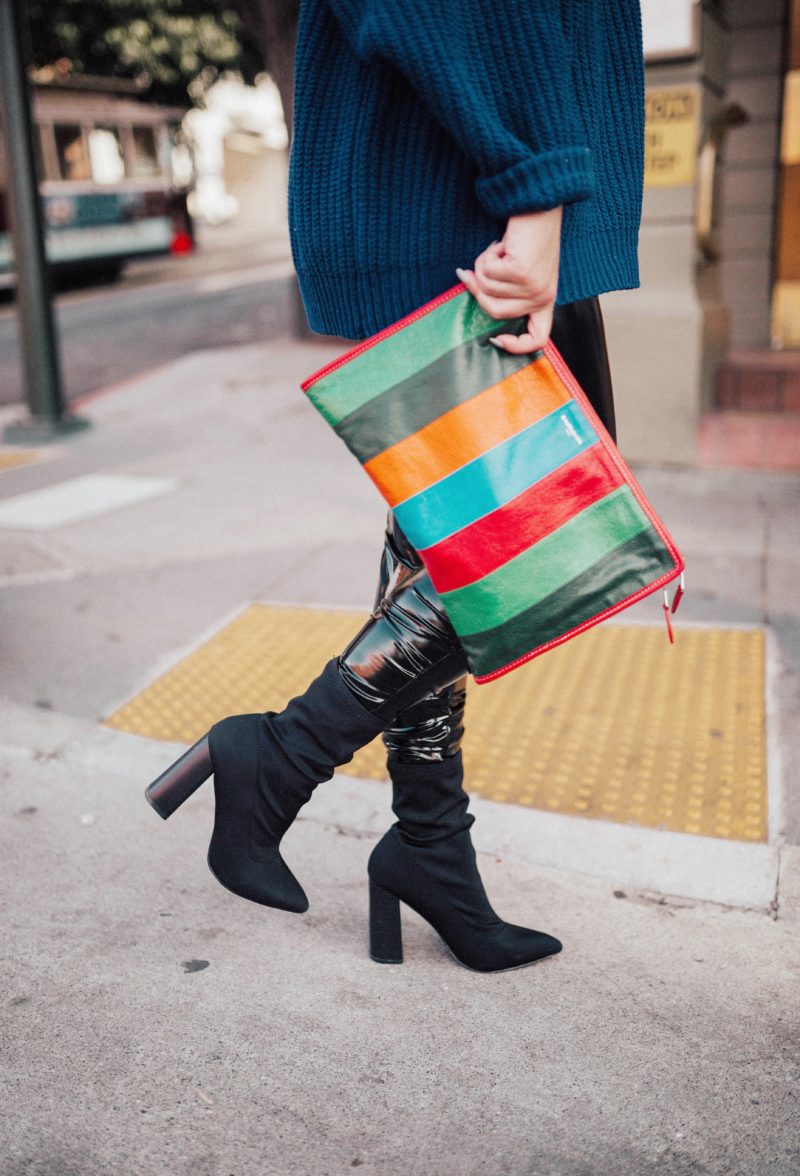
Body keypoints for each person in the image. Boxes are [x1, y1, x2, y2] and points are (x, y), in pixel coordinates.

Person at [147, 0, 644, 972]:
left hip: (483, 186)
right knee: (557, 528)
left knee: (439, 549)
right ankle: (282, 755)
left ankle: (429, 846)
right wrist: (535, 188)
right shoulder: (519, 193)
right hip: (479, 200)